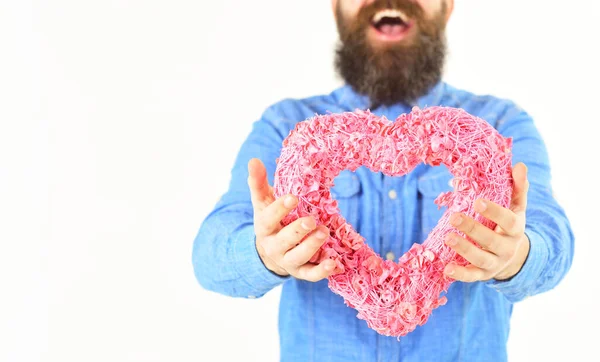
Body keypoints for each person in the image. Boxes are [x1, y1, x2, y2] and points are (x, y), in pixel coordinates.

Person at [192, 0, 574, 361]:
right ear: (336, 6)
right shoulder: (286, 127)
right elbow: (210, 256)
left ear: (448, 5)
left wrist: (517, 255)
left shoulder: (498, 126)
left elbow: (553, 241)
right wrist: (265, 253)